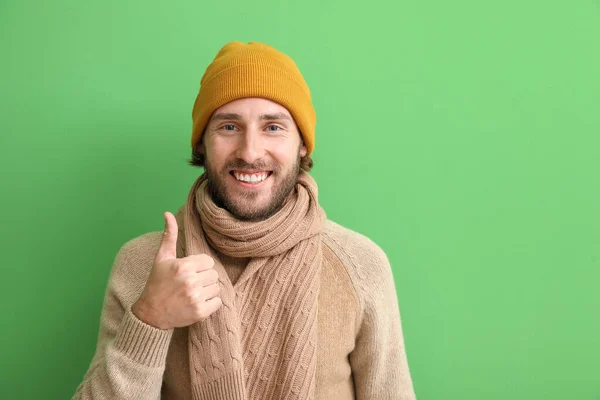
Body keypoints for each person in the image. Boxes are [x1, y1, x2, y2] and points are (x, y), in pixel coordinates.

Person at [73, 41, 416, 400]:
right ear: (202, 143)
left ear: (302, 144)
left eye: (273, 127)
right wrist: (150, 319)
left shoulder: (360, 265)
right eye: (229, 127)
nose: (250, 151)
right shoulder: (142, 263)